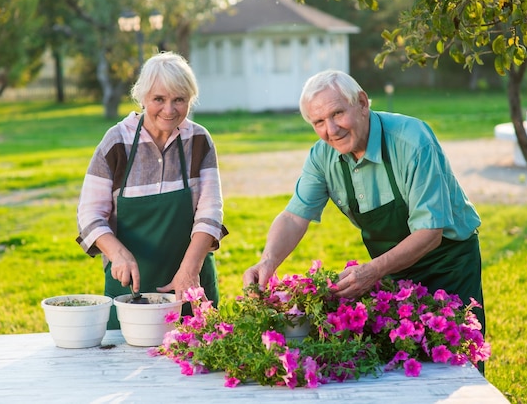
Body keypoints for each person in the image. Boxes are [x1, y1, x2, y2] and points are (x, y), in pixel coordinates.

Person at [242, 70, 485, 337]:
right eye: (319, 122)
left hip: (448, 265)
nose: (331, 130)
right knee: (405, 361)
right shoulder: (322, 157)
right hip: (391, 270)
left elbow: (430, 233)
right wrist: (267, 261)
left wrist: (373, 271)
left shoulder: (413, 141)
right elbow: (293, 217)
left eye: (337, 114)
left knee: (455, 357)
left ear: (362, 103)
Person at [77, 52, 228, 329]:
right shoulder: (116, 141)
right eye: (159, 99)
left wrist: (189, 271)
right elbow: (90, 214)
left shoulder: (198, 141)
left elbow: (210, 212)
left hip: (192, 281)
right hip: (130, 289)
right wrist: (118, 254)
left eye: (179, 100)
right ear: (143, 97)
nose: (169, 110)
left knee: (200, 360)